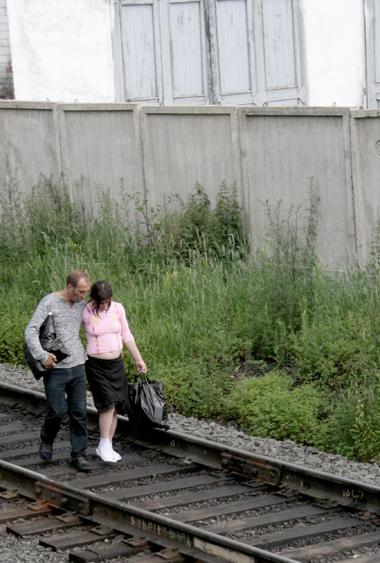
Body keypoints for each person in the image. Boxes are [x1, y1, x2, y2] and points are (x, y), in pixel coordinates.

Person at [25, 270, 92, 472]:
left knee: (79, 412)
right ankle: (47, 439)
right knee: (57, 411)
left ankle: (78, 455)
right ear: (69, 287)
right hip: (56, 369)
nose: (84, 297)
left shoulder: (81, 303)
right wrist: (42, 355)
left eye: (86, 292)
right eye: (81, 292)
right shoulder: (49, 302)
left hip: (77, 366)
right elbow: (31, 331)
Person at [82, 280, 147, 462]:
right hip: (96, 364)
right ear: (93, 299)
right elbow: (70, 333)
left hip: (116, 364)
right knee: (107, 404)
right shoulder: (85, 311)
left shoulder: (118, 309)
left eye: (106, 302)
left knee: (116, 405)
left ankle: (107, 445)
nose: (103, 306)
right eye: (100, 303)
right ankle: (103, 444)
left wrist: (138, 359)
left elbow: (126, 334)